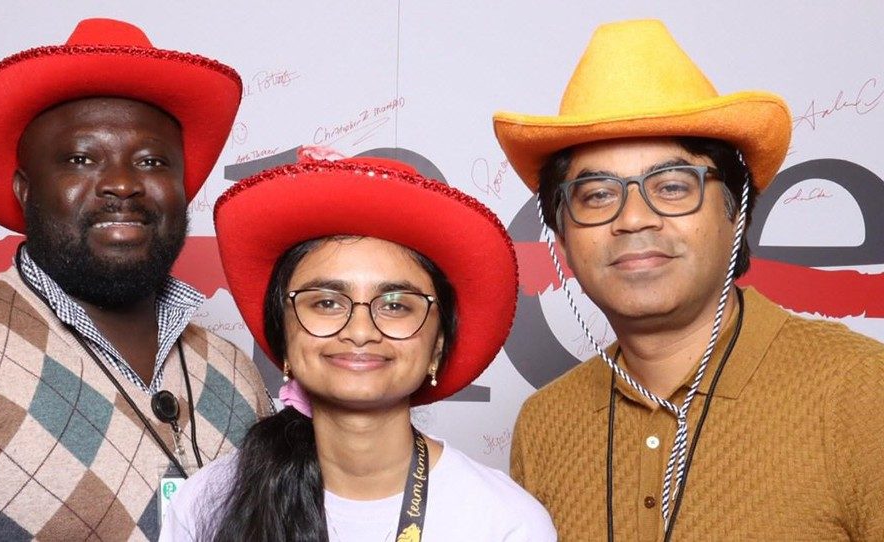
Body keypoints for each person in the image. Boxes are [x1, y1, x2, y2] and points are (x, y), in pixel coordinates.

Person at [493, 19, 884, 541]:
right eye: (597, 195)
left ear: (736, 212)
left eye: (673, 186)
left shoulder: (859, 389)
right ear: (561, 238)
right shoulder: (545, 424)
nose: (633, 218)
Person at [0, 18, 271, 541]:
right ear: (25, 190)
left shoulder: (236, 374)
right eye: (81, 159)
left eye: (152, 161)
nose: (123, 184)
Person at [160, 153, 557, 541]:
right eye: (327, 303)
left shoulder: (506, 522)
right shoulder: (205, 506)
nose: (361, 330)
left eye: (396, 305)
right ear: (284, 335)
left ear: (437, 346)